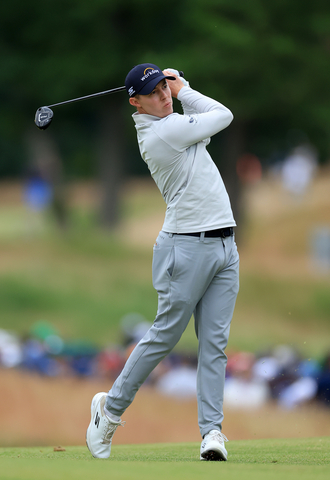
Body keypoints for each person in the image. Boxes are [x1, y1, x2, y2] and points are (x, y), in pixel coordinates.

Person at [86, 63, 239, 461]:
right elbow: (223, 115)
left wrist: (180, 94)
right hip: (184, 248)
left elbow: (207, 120)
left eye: (164, 87)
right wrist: (186, 86)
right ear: (135, 103)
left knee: (215, 345)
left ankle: (212, 433)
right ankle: (110, 409)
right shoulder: (162, 132)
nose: (164, 95)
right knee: (164, 336)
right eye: (154, 92)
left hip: (225, 245)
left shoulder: (174, 122)